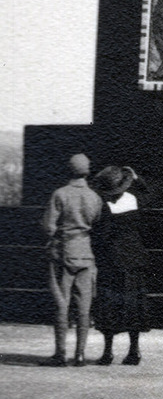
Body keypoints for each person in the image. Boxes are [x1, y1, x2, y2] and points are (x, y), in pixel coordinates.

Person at [40, 153, 102, 366]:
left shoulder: (60, 194)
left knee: (61, 304)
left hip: (63, 252)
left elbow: (48, 227)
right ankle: (80, 355)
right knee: (84, 306)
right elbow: (96, 221)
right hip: (86, 252)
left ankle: (60, 354)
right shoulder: (95, 196)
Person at [90, 166, 150, 366]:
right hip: (134, 258)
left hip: (111, 259)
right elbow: (147, 193)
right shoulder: (135, 200)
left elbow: (101, 236)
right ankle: (134, 350)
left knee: (109, 303)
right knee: (133, 303)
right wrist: (136, 178)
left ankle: (108, 352)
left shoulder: (104, 206)